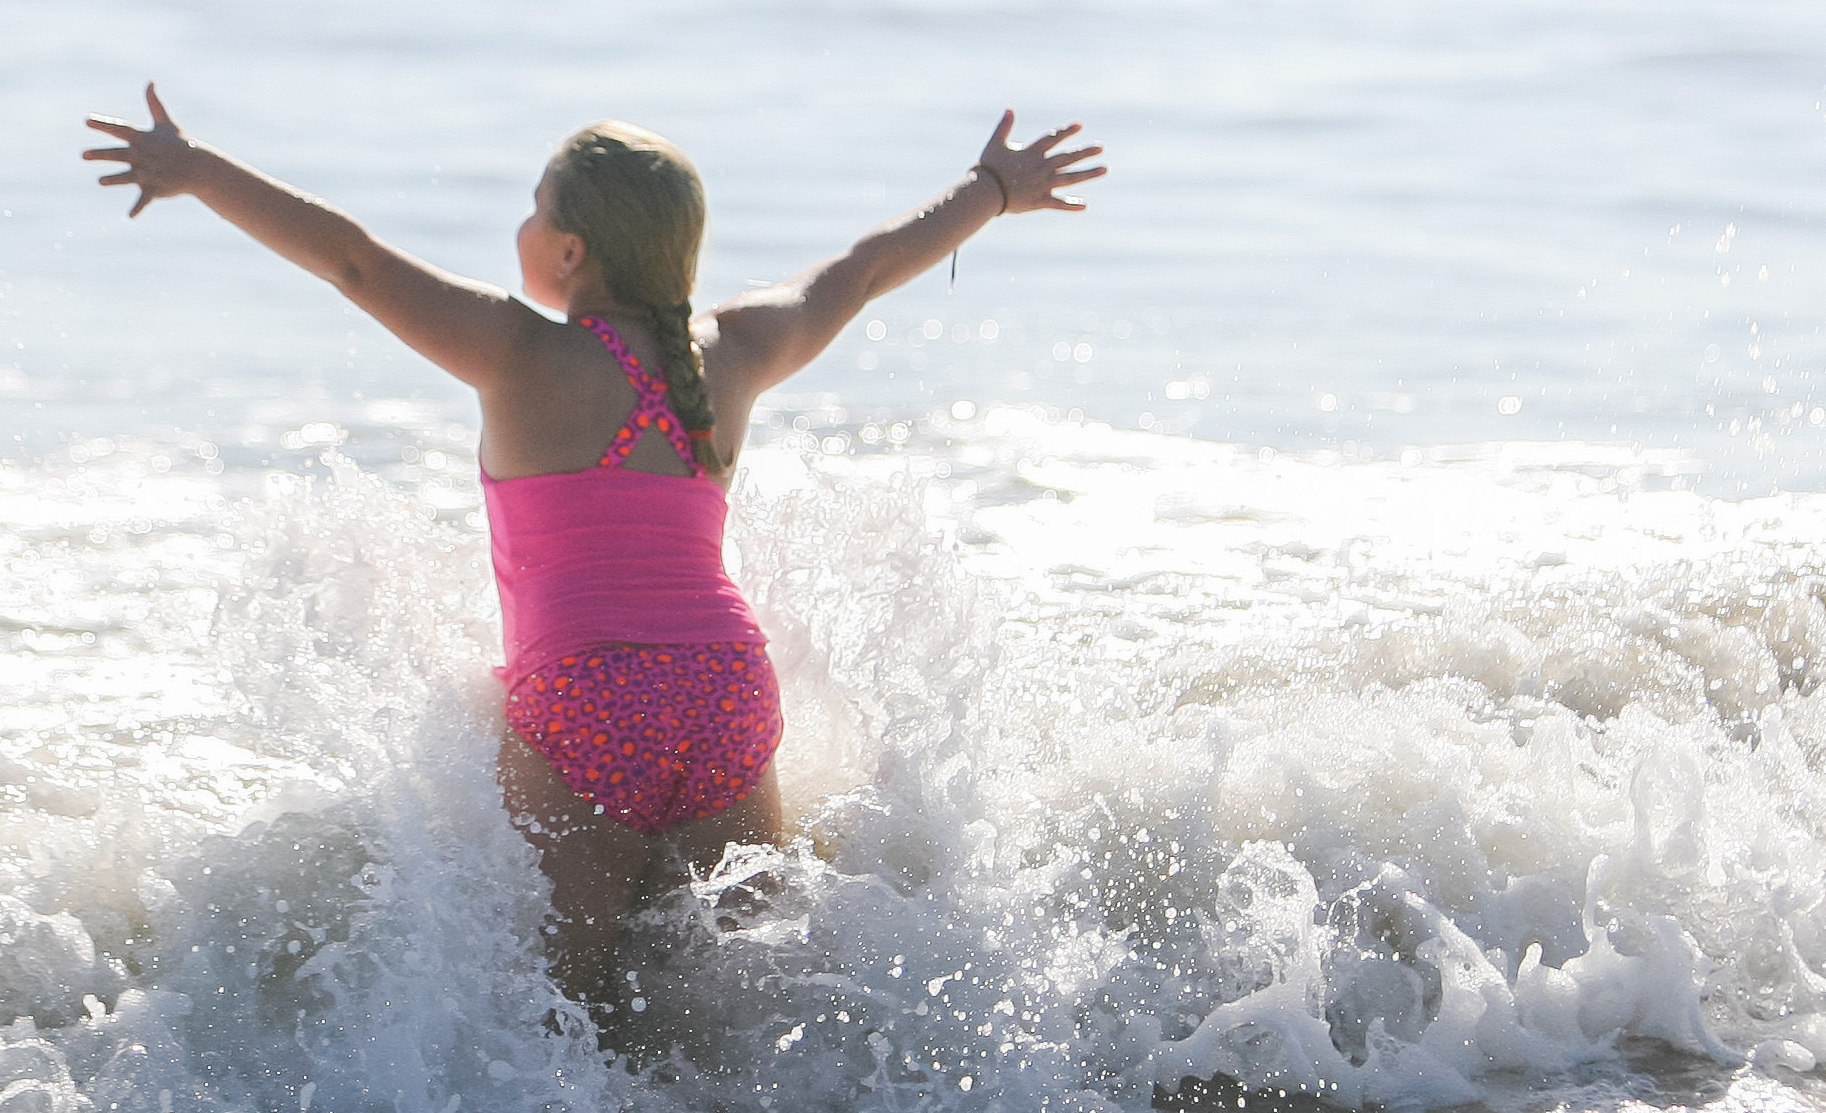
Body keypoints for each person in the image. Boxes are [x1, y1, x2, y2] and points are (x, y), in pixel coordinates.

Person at [82, 87, 1104, 1007]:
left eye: (536, 208)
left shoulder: (517, 351)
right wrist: (992, 188)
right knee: (745, 988)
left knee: (564, 1004)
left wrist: (196, 168)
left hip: (587, 696)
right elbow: (866, 268)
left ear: (571, 251)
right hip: (725, 691)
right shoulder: (737, 349)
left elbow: (351, 257)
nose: (522, 224)